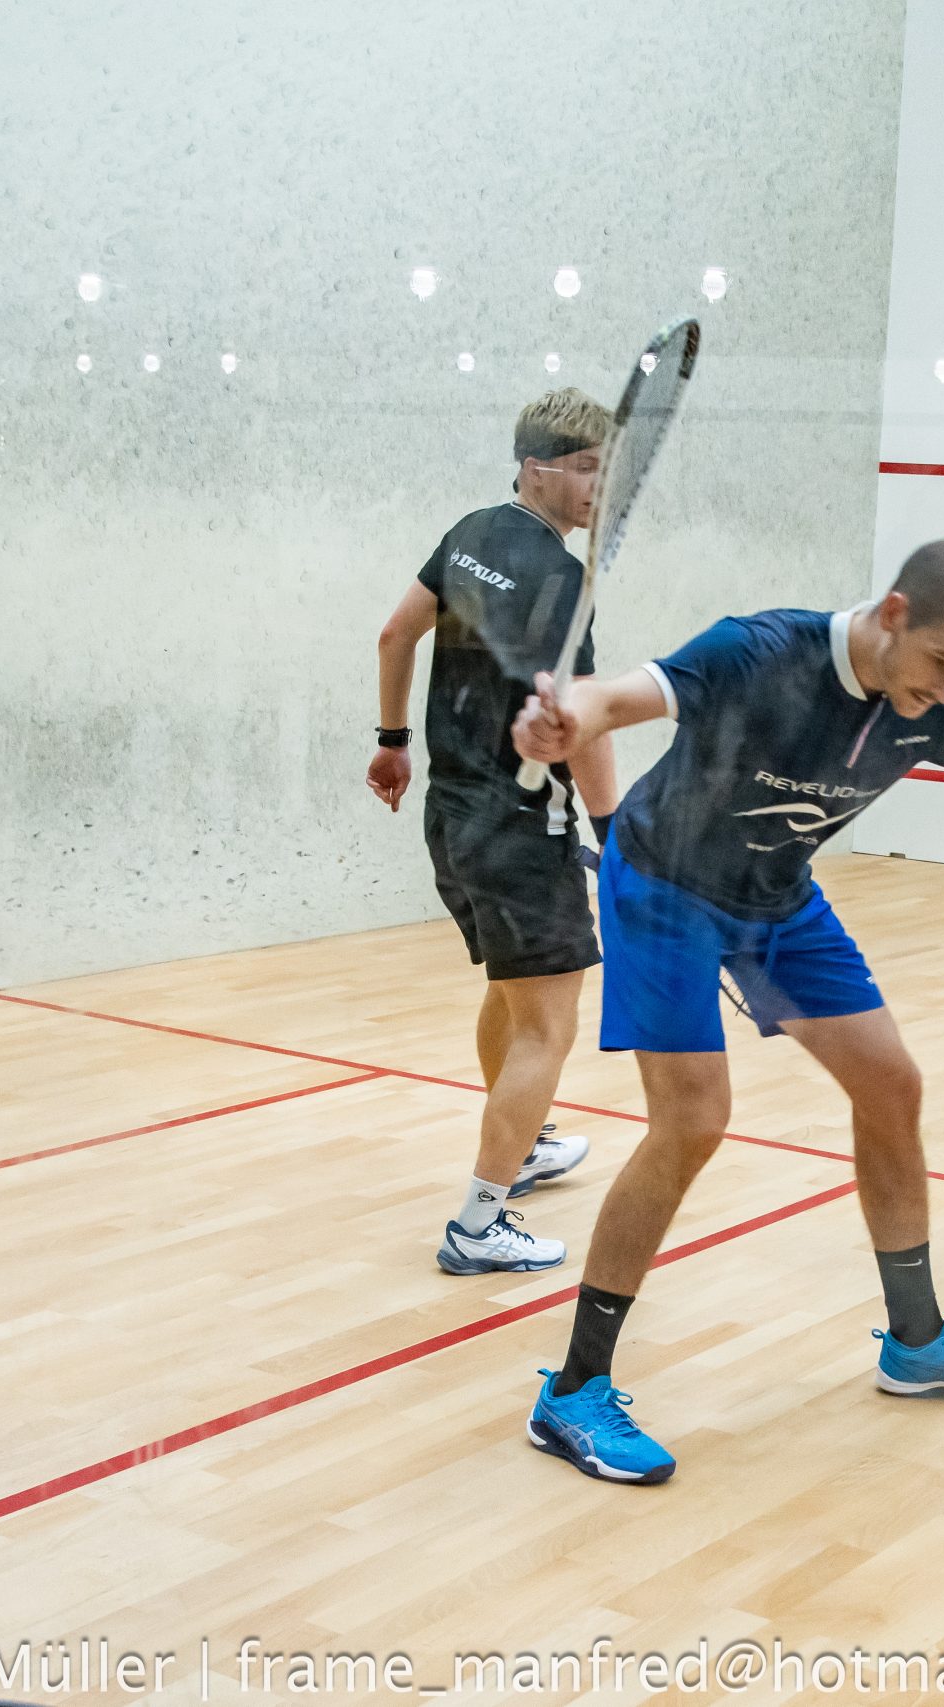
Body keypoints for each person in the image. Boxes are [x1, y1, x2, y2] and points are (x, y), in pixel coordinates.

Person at [507, 538, 944, 1483]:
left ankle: (917, 1342)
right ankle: (572, 1392)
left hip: (775, 899)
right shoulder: (759, 652)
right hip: (664, 888)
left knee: (891, 1084)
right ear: (893, 613)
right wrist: (564, 720)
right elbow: (614, 697)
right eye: (941, 662)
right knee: (693, 1119)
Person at [367, 388, 621, 1276]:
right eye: (585, 469)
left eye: (605, 470)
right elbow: (579, 717)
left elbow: (396, 632)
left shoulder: (469, 533)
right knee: (549, 1025)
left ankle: (528, 1140)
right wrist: (614, 832)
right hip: (521, 829)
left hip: (451, 818)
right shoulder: (561, 580)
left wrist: (392, 740)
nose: (598, 488)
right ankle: (479, 1224)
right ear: (536, 467)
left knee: (515, 996)